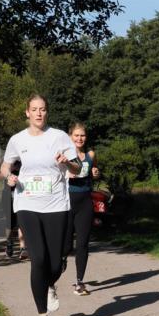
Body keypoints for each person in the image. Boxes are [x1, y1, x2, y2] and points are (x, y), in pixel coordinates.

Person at [1, 94, 82, 316]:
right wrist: (9, 176)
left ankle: (49, 284)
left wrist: (67, 162)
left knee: (56, 262)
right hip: (27, 202)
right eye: (34, 109)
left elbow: (78, 168)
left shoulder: (59, 137)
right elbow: (6, 164)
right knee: (38, 259)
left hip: (56, 204)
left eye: (43, 109)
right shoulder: (17, 139)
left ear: (47, 112)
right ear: (27, 113)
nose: (38, 113)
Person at [62, 122, 101, 295]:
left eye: (82, 135)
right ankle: (62, 259)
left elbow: (94, 170)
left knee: (83, 243)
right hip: (67, 201)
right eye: (76, 135)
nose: (79, 138)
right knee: (66, 244)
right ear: (70, 136)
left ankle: (79, 282)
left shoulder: (90, 155)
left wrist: (96, 172)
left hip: (85, 201)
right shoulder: (64, 155)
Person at [0, 158, 26, 258]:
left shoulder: (24, 160)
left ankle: (23, 248)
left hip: (22, 195)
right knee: (10, 223)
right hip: (8, 196)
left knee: (22, 221)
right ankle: (9, 244)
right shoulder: (7, 161)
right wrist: (9, 171)